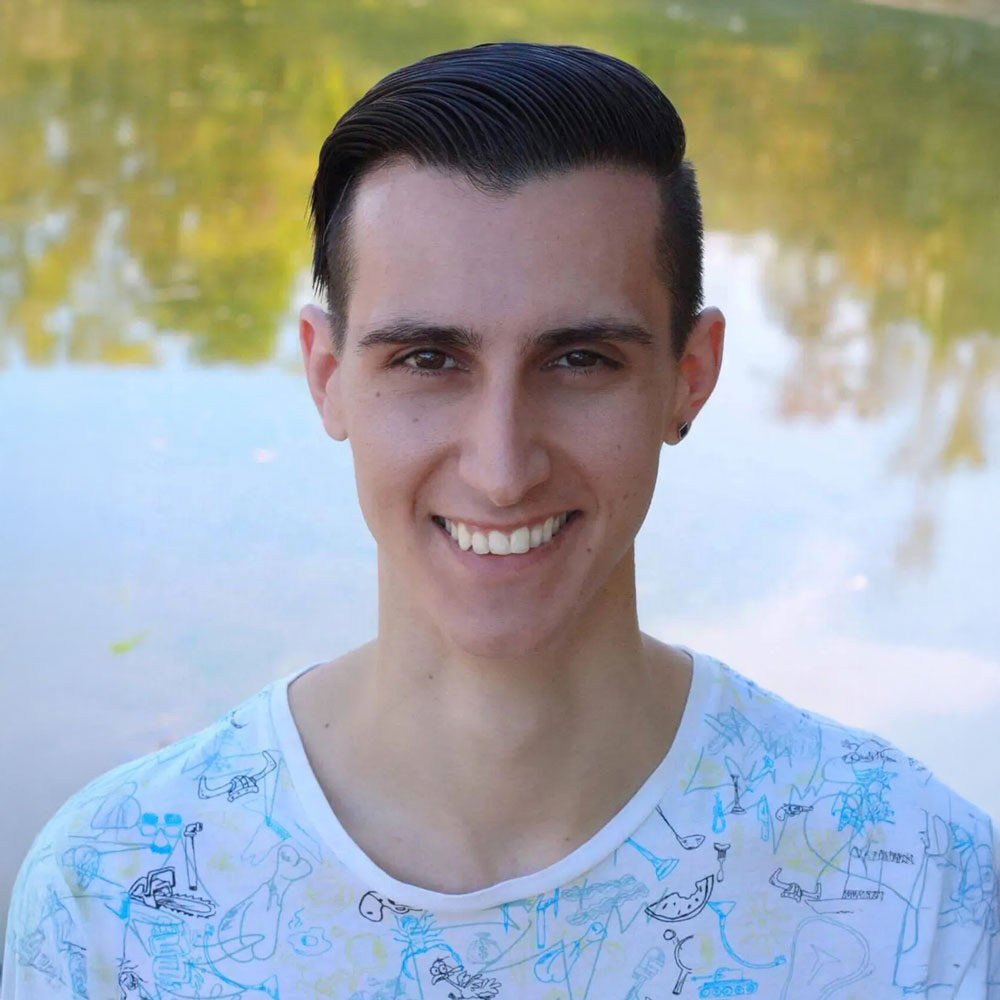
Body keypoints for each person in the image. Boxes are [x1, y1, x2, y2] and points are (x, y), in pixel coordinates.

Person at [3, 41, 996, 1000]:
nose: (501, 465)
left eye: (579, 361)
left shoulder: (918, 884)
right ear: (326, 375)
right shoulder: (113, 896)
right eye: (429, 360)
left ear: (687, 378)